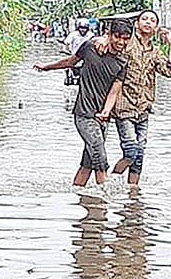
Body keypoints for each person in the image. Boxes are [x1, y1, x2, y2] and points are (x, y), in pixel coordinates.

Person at [33, 19, 133, 190]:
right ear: (108, 35)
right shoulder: (90, 47)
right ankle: (104, 199)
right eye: (117, 37)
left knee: (88, 162)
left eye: (125, 38)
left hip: (102, 118)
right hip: (84, 114)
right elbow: (70, 62)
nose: (121, 42)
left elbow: (114, 91)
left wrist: (106, 112)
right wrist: (47, 67)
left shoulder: (122, 62)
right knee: (99, 154)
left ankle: (77, 192)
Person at [111, 10, 171, 187]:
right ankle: (109, 181)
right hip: (124, 106)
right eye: (144, 19)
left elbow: (169, 71)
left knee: (139, 156)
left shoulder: (154, 52)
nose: (148, 22)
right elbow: (111, 44)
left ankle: (133, 192)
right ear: (137, 23)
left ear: (156, 27)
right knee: (131, 151)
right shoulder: (127, 43)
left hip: (144, 108)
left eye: (152, 20)